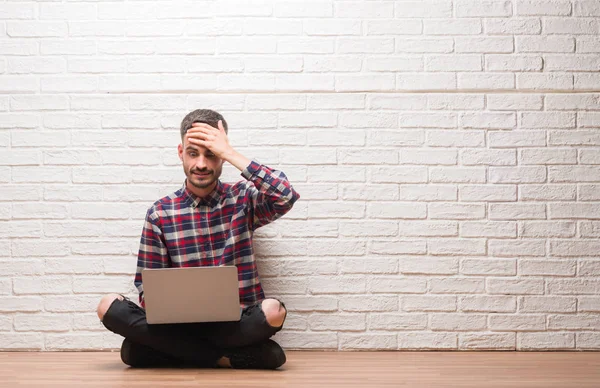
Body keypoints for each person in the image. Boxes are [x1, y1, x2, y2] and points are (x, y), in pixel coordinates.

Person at [96, 109, 300, 369]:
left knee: (273, 311)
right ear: (181, 152)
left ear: (222, 157)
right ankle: (221, 358)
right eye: (193, 153)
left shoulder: (243, 199)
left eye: (211, 154)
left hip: (235, 324)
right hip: (177, 326)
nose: (202, 164)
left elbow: (285, 196)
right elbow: (147, 289)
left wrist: (231, 153)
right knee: (108, 306)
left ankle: (178, 353)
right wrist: (174, 307)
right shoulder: (160, 213)